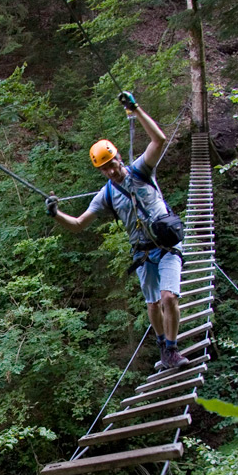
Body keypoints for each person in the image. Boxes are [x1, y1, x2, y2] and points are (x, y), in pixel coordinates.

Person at [45, 92, 189, 371]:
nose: (110, 171)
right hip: (143, 254)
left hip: (167, 245)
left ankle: (172, 351)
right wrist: (56, 214)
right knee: (152, 304)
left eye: (111, 163)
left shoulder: (141, 171)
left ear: (118, 157)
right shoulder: (106, 195)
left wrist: (137, 110)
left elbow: (158, 140)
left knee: (169, 297)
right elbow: (78, 224)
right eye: (104, 168)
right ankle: (163, 348)